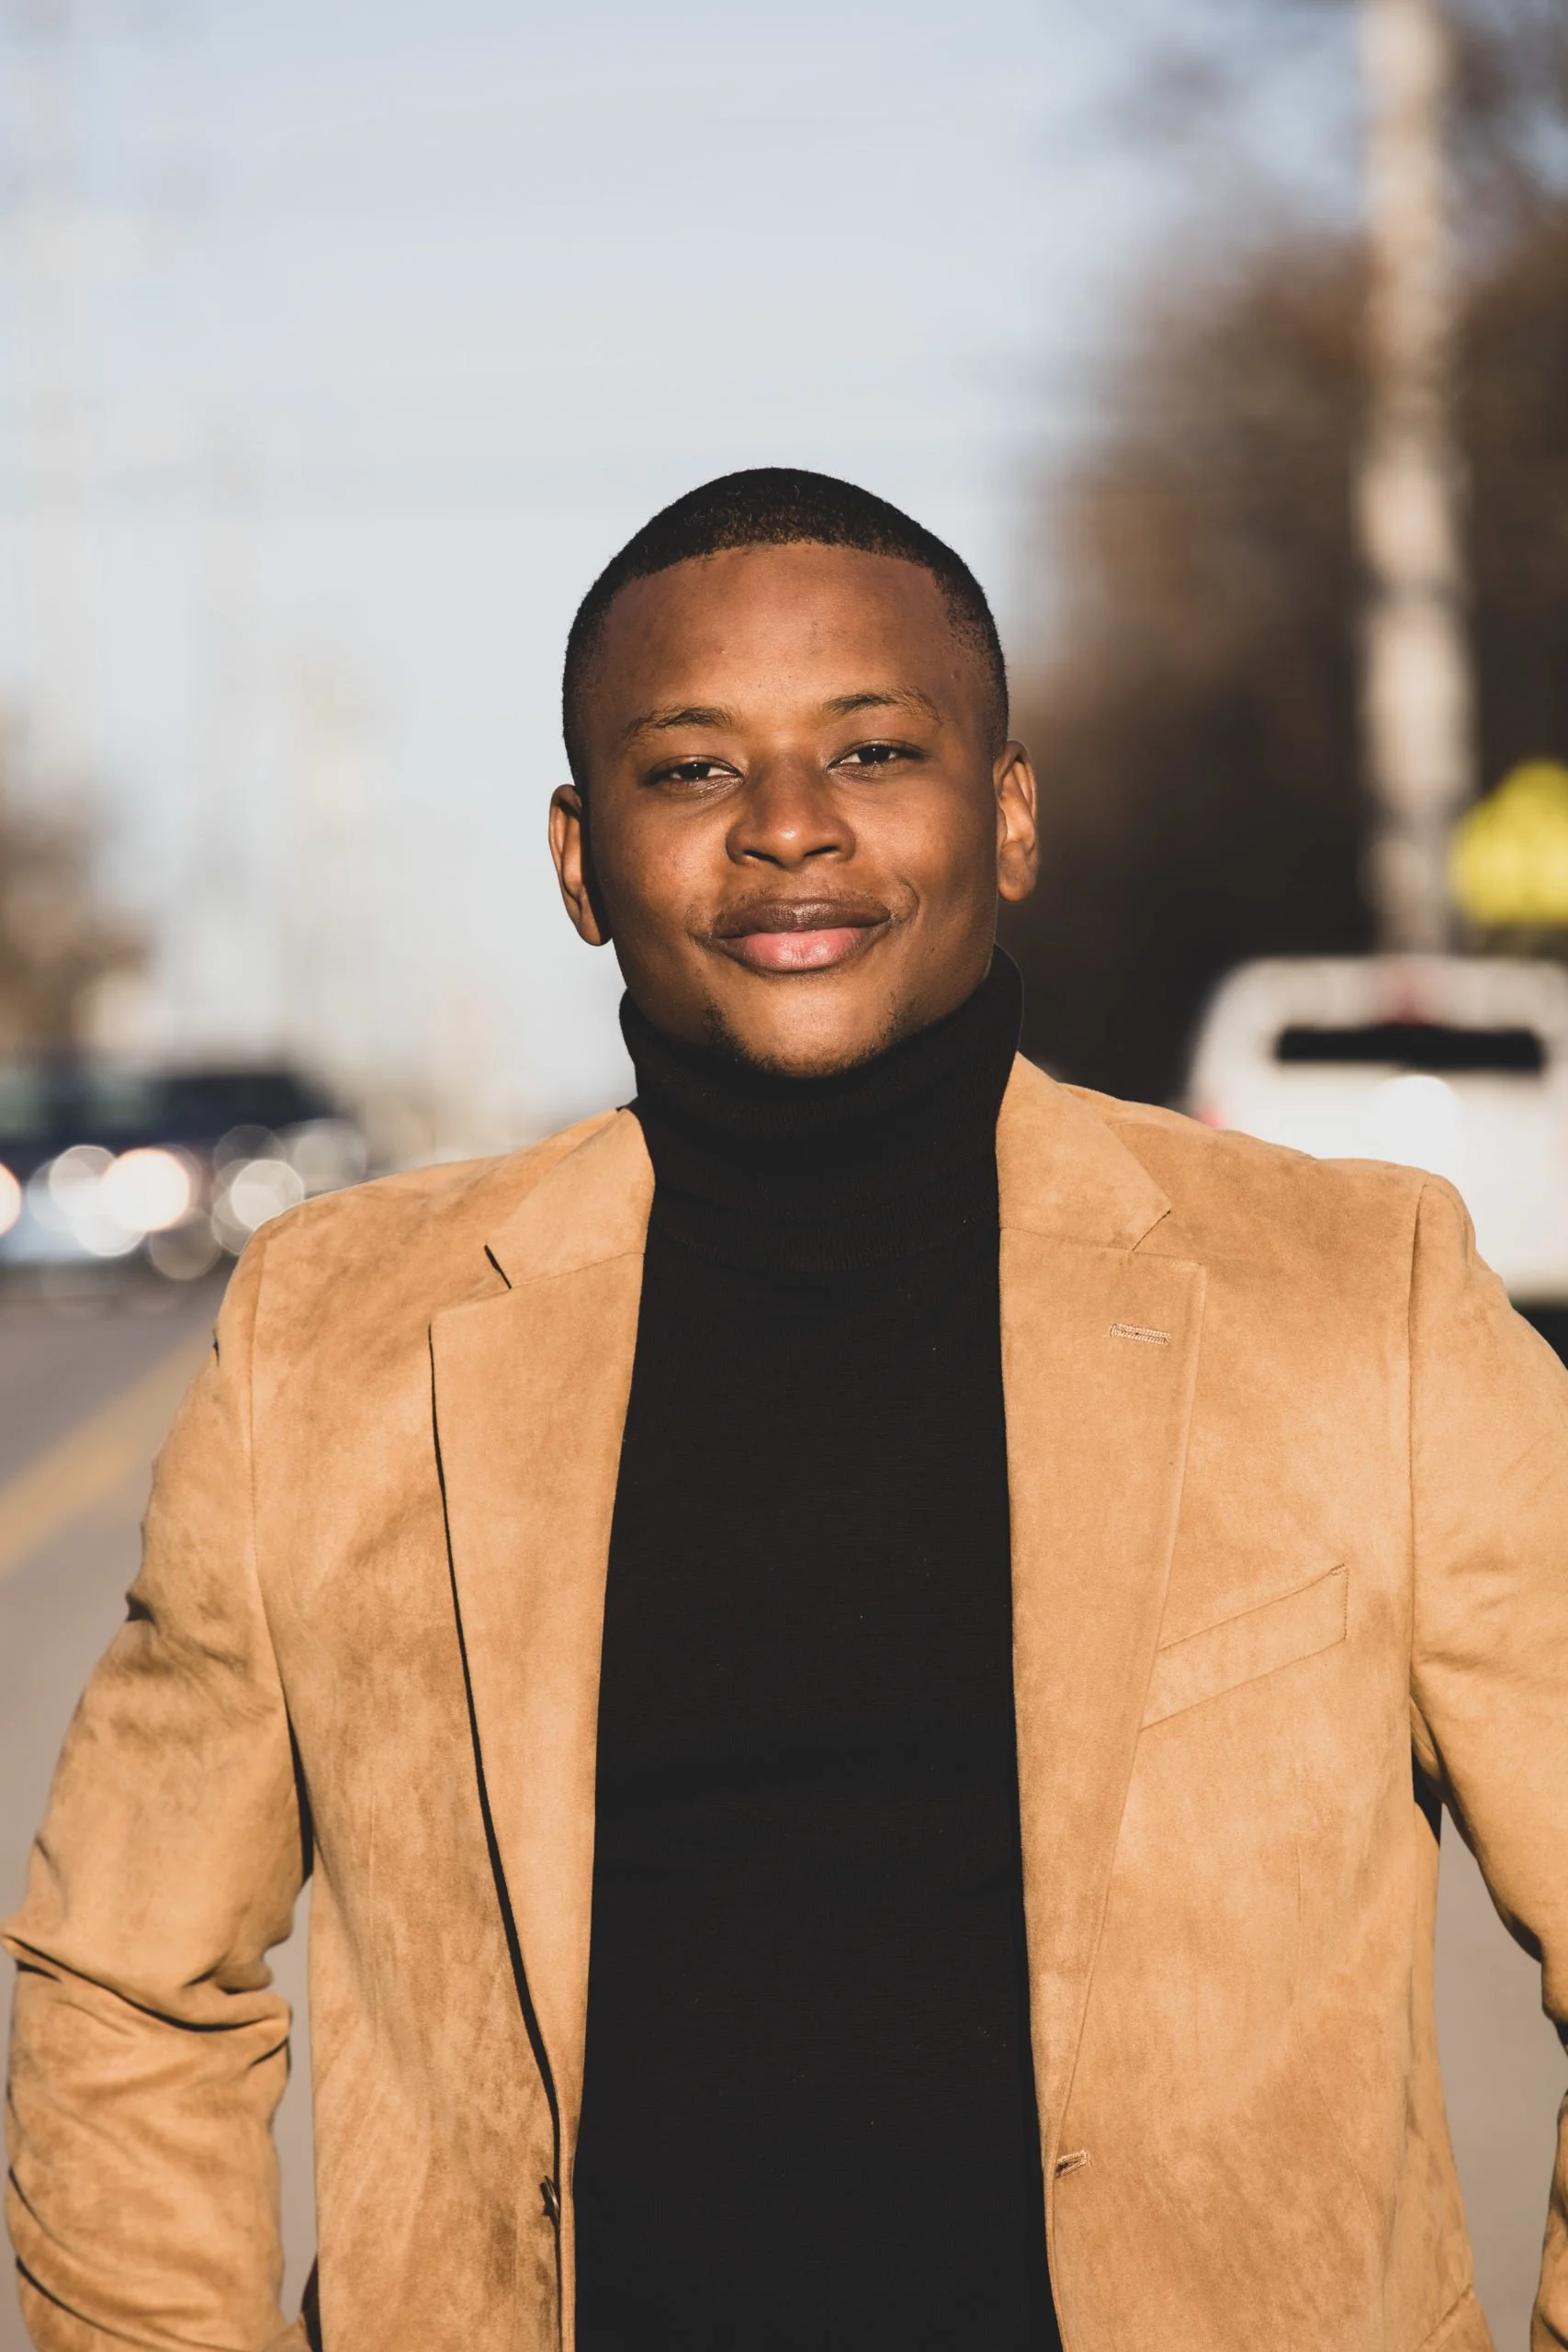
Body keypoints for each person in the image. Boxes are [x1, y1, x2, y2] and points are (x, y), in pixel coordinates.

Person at [6, 468, 1567, 2352]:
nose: (788, 830)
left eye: (874, 750)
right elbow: (123, 1979)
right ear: (579, 862)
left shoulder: (1357, 1294)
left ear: (1006, 817)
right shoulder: (338, 1335)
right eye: (690, 770)